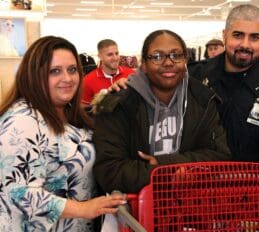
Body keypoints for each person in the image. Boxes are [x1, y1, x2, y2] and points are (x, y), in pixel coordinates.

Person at [0, 36, 126, 231]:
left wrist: (111, 97)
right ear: (34, 75)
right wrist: (84, 209)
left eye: (72, 70)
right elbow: (16, 192)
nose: (67, 78)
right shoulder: (22, 120)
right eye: (55, 71)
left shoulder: (64, 111)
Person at [92, 29, 231, 194]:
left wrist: (165, 164)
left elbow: (219, 156)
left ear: (185, 60)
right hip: (135, 211)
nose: (168, 62)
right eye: (157, 56)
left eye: (176, 55)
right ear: (143, 64)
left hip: (191, 207)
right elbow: (109, 170)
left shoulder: (203, 99)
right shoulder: (119, 104)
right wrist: (171, 175)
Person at [195, 4, 259, 184]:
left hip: (252, 195)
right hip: (196, 190)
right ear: (225, 34)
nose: (245, 44)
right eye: (238, 35)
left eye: (254, 37)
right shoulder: (195, 78)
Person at [81, 39, 135, 106]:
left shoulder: (131, 74)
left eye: (116, 53)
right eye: (110, 55)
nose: (115, 58)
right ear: (100, 56)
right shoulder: (87, 81)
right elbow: (83, 110)